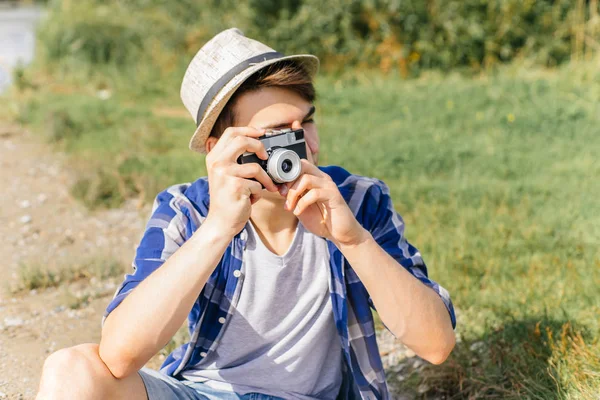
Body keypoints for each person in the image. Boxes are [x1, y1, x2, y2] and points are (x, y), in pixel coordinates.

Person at [35, 28, 456, 400]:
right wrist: (218, 227)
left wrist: (352, 240)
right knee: (69, 370)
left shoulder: (357, 201)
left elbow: (437, 344)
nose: (303, 147)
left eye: (305, 123)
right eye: (277, 135)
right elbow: (119, 355)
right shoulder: (189, 209)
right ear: (222, 146)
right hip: (204, 392)